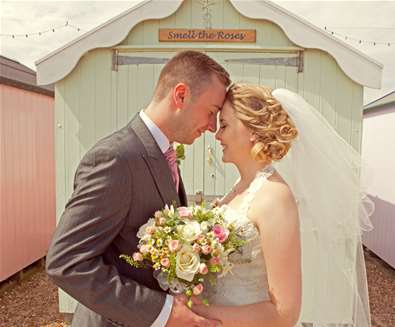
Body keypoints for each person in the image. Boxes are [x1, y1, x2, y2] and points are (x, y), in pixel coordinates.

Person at [45, 50, 230, 327]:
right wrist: (163, 312)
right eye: (212, 112)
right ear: (180, 95)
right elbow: (67, 262)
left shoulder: (163, 153)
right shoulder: (116, 158)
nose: (212, 126)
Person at [188, 84, 373, 327]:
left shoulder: (275, 197)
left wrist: (201, 314)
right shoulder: (240, 186)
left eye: (224, 125)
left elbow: (284, 313)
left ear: (252, 130)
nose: (217, 135)